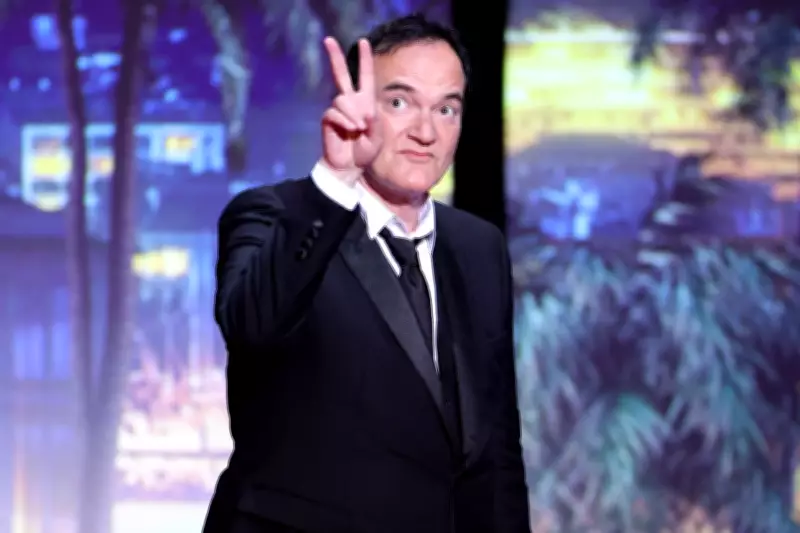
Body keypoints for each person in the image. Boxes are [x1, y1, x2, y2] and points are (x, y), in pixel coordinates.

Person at [203, 13, 530, 533]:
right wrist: (335, 179)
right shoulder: (276, 215)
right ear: (355, 104)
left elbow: (497, 447)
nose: (425, 132)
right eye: (400, 102)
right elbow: (251, 326)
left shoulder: (478, 247)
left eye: (446, 109)